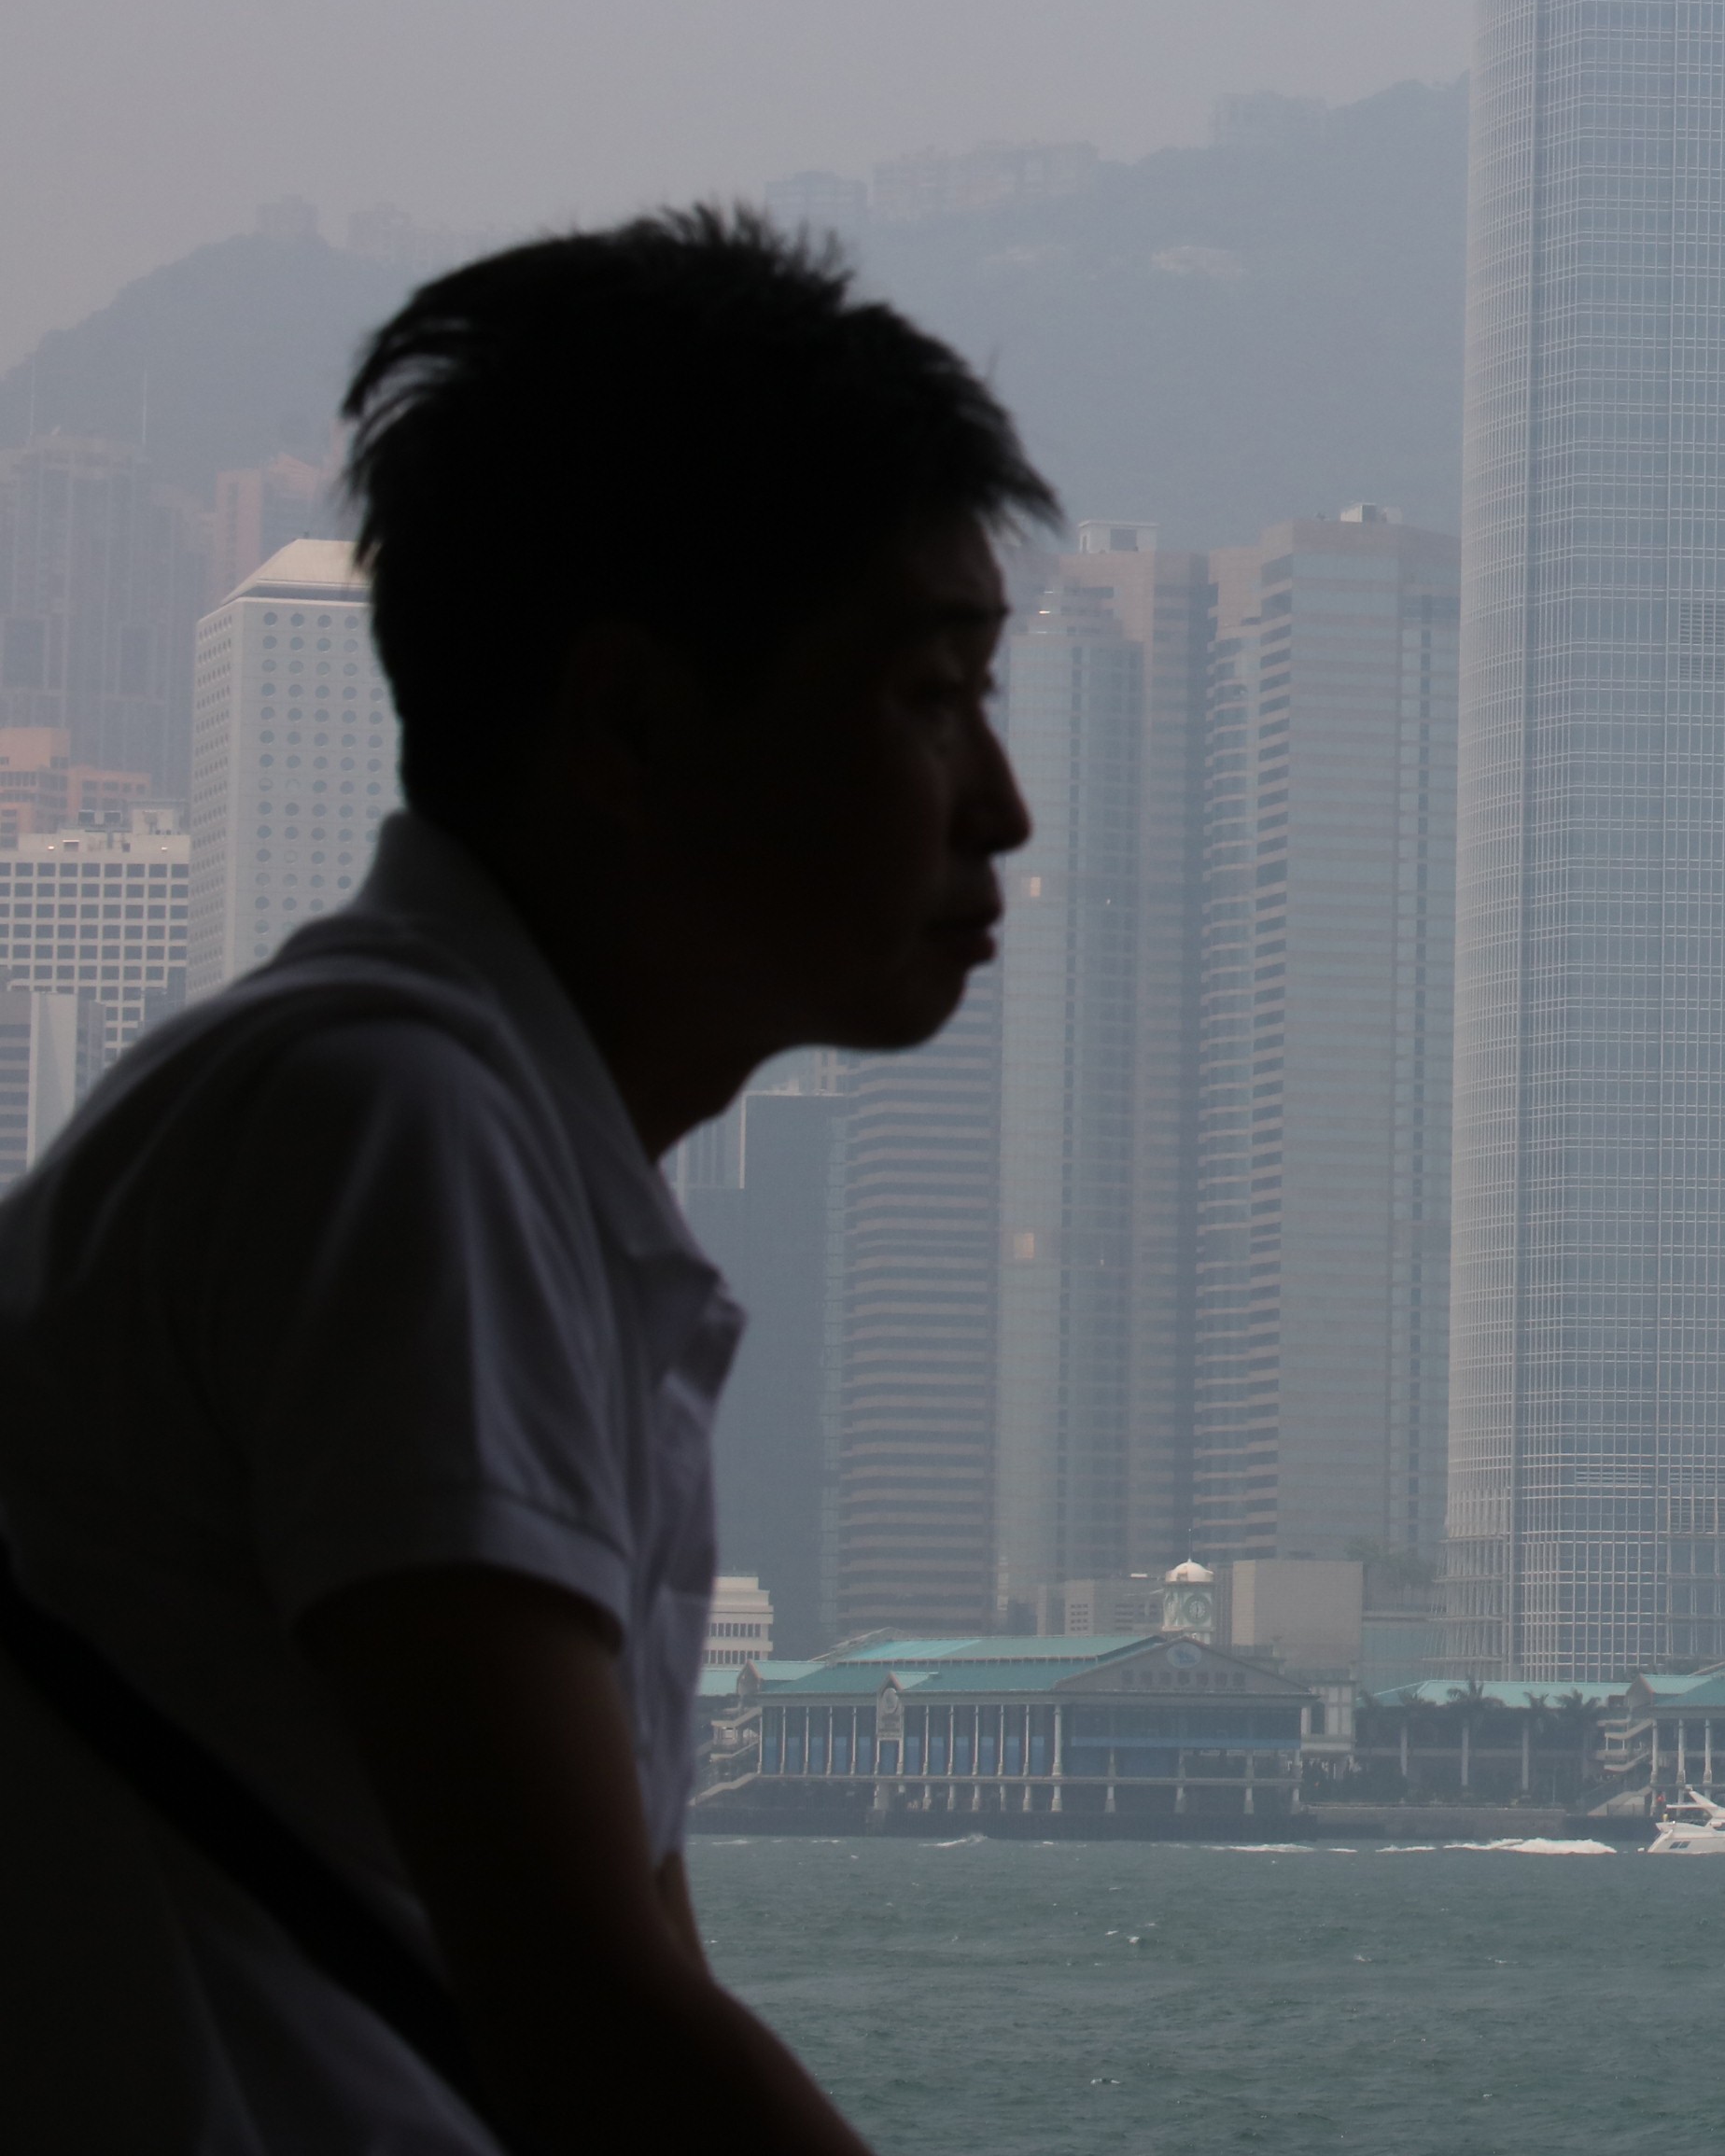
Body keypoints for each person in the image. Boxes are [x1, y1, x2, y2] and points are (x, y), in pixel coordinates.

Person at [0, 210, 1047, 2151]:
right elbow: (594, 2020)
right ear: (633, 727)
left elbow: (625, 1974)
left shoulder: (516, 1173)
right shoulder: (393, 1130)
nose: (1001, 801)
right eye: (928, 694)